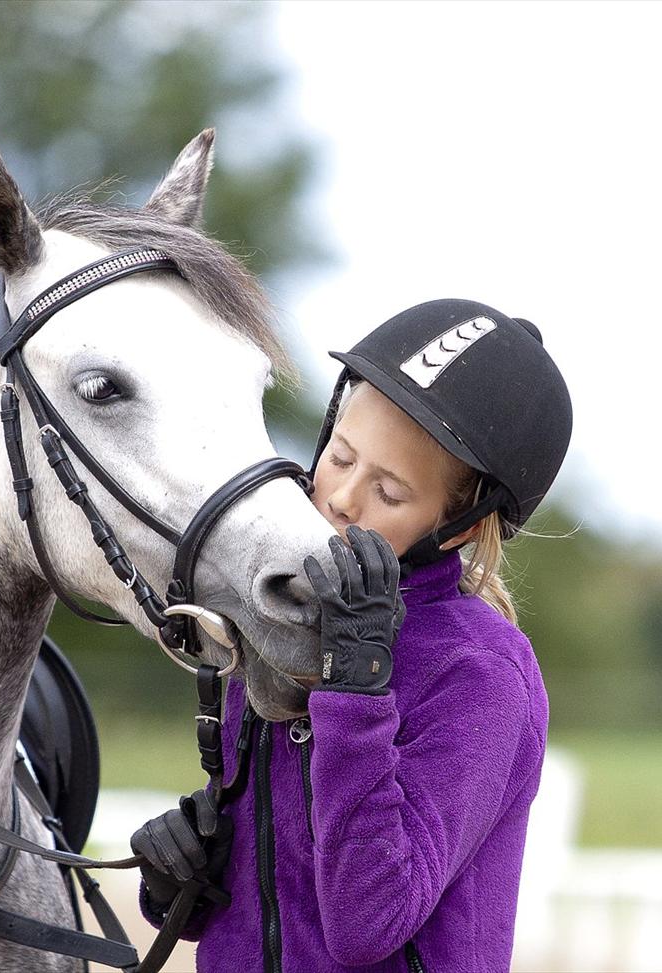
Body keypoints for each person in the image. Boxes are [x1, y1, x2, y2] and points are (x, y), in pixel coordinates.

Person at [130, 298, 573, 973]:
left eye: (389, 493)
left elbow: (369, 921)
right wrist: (184, 881)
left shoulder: (478, 672)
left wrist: (356, 691)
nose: (340, 495)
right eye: (340, 455)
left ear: (453, 528)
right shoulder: (285, 609)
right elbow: (274, 901)